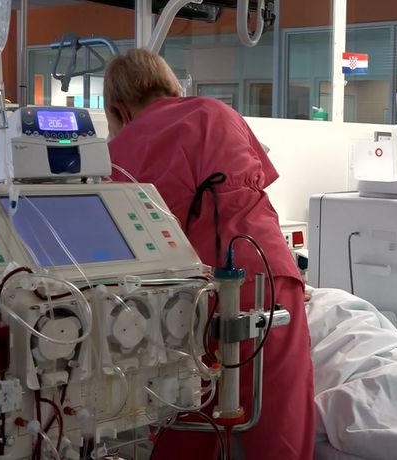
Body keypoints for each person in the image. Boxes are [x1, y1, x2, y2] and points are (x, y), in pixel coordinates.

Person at [103, 48, 315, 460]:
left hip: (188, 295)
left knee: (184, 411)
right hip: (269, 274)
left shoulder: (120, 151)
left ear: (118, 109)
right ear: (170, 85)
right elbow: (254, 188)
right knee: (281, 417)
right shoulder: (219, 113)